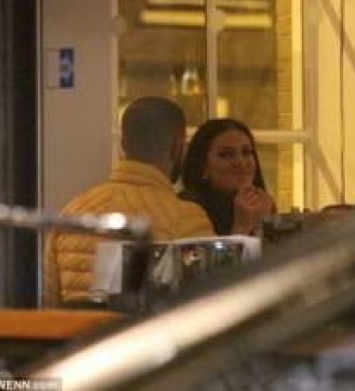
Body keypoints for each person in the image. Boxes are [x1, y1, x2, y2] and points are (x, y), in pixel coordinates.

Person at [43, 96, 215, 307]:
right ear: (177, 147)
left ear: (123, 143)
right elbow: (206, 304)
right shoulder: (186, 217)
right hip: (146, 328)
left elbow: (49, 304)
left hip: (79, 329)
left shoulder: (72, 213)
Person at [180, 118, 275, 236]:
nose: (241, 162)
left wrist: (264, 224)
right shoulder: (187, 211)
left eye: (246, 152)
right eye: (226, 155)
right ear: (203, 166)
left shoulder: (263, 204)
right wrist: (242, 226)